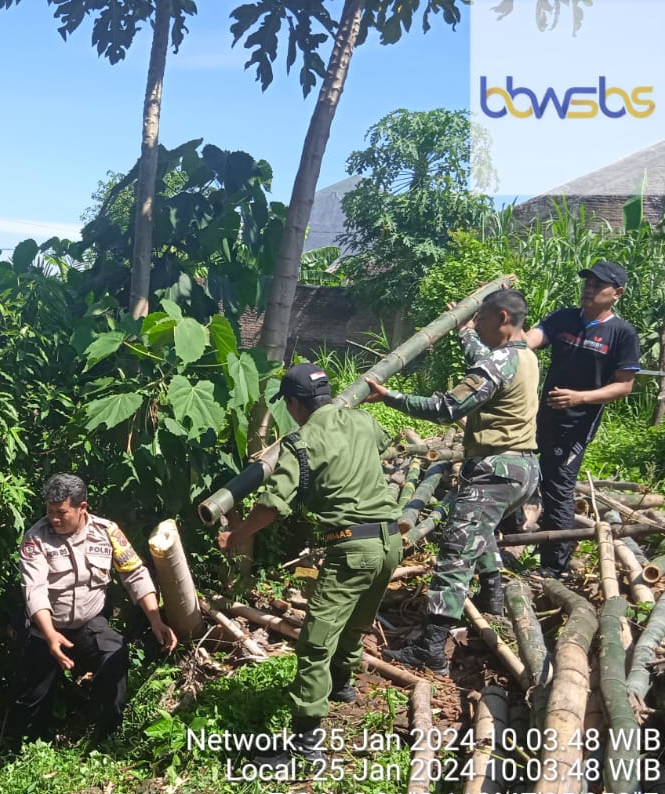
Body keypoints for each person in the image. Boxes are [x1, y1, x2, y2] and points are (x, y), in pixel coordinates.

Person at [219, 364, 401, 763]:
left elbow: (271, 504)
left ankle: (305, 743)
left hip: (352, 547)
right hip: (390, 543)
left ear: (297, 404)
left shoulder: (301, 442)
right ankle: (342, 685)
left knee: (316, 641)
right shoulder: (363, 420)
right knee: (356, 620)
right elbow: (385, 443)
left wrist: (238, 535)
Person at [365, 288, 540, 673]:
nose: (477, 323)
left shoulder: (499, 363)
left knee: (454, 555)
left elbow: (448, 408)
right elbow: (485, 361)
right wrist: (465, 333)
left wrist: (390, 396)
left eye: (481, 318)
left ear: (503, 319)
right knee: (483, 530)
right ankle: (493, 601)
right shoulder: (523, 356)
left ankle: (431, 648)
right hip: (522, 470)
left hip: (496, 470)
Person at [10, 473, 178, 743]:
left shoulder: (107, 532)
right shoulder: (35, 539)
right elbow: (34, 589)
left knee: (115, 653)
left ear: (82, 508)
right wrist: (51, 635)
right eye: (50, 511)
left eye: (61, 513)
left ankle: (105, 737)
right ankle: (28, 753)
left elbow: (134, 573)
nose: (54, 518)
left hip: (89, 621)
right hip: (47, 628)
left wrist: (155, 620)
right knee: (32, 700)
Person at [524, 261, 640, 576]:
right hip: (540, 417)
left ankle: (554, 566)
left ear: (617, 293)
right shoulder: (564, 319)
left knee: (559, 488)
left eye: (598, 285)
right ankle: (520, 537)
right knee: (523, 475)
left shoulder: (622, 334)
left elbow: (624, 385)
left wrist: (581, 397)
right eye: (587, 282)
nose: (588, 289)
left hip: (576, 425)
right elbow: (527, 342)